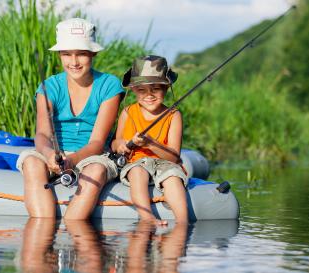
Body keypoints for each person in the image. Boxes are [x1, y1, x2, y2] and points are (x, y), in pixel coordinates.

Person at [16, 18, 123, 219]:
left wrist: (72, 159)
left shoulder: (110, 85)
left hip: (91, 155)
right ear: (59, 55)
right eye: (67, 54)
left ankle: (72, 226)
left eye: (81, 54)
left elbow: (98, 142)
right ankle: (43, 232)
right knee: (31, 162)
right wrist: (49, 155)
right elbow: (41, 134)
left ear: (93, 53)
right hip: (54, 153)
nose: (73, 62)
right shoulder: (49, 87)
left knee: (97, 170)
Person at [111, 55, 188, 225]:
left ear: (166, 88)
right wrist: (122, 145)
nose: (149, 95)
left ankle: (183, 222)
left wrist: (151, 144)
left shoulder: (174, 116)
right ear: (133, 90)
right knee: (137, 173)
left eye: (156, 88)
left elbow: (174, 157)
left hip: (165, 163)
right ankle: (147, 218)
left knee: (173, 178)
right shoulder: (128, 113)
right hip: (137, 163)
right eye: (142, 90)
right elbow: (116, 143)